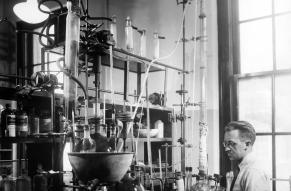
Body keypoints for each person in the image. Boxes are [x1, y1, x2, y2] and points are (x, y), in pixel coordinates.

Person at [223, 121, 270, 191]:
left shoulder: (253, 173)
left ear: (247, 144)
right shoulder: (242, 168)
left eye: (231, 143)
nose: (226, 149)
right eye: (225, 144)